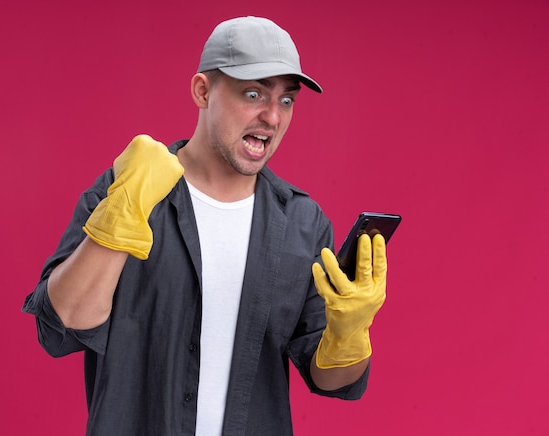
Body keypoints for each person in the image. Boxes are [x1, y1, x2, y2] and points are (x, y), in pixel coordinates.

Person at [22, 16, 387, 436]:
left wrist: (351, 333)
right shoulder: (127, 187)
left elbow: (331, 381)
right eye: (254, 93)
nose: (272, 116)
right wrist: (122, 211)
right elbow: (61, 326)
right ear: (202, 91)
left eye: (287, 100)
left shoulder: (304, 224)